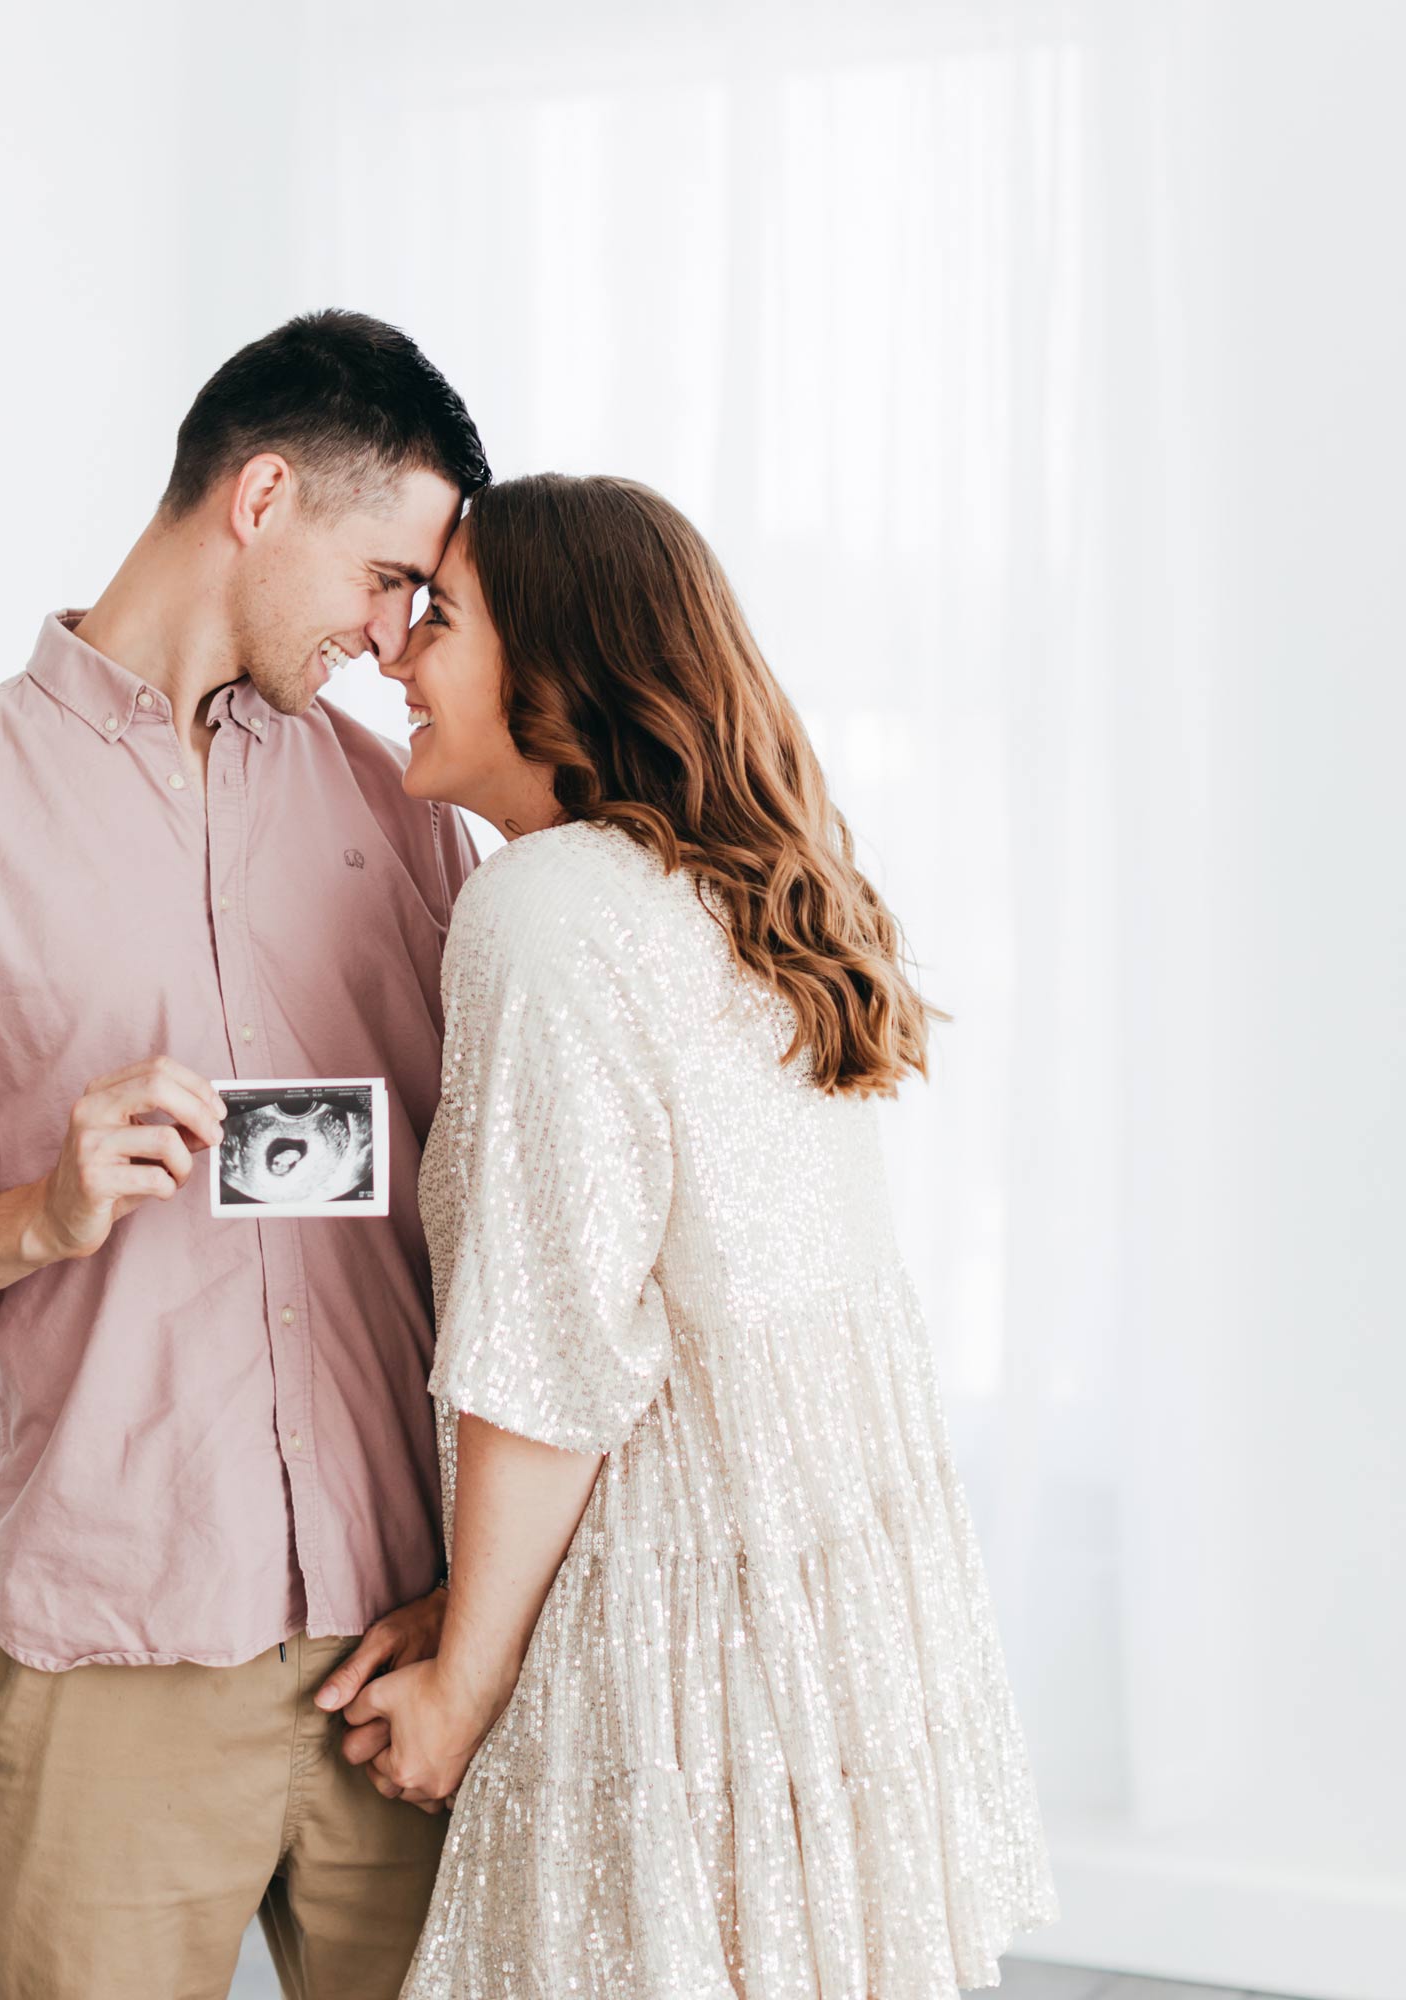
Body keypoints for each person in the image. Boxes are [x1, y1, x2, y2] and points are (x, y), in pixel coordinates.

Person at [0, 310, 490, 2000]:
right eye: (387, 577)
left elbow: (473, 1181)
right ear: (265, 495)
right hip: (110, 1673)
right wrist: (33, 1215)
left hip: (401, 1660)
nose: (393, 638)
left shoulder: (398, 807)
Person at [325, 475, 1060, 1997]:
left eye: (439, 619)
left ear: (558, 668)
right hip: (829, 1607)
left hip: (672, 1623)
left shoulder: (547, 912)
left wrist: (468, 1683)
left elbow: (550, 1358)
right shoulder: (745, 903)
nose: (395, 653)